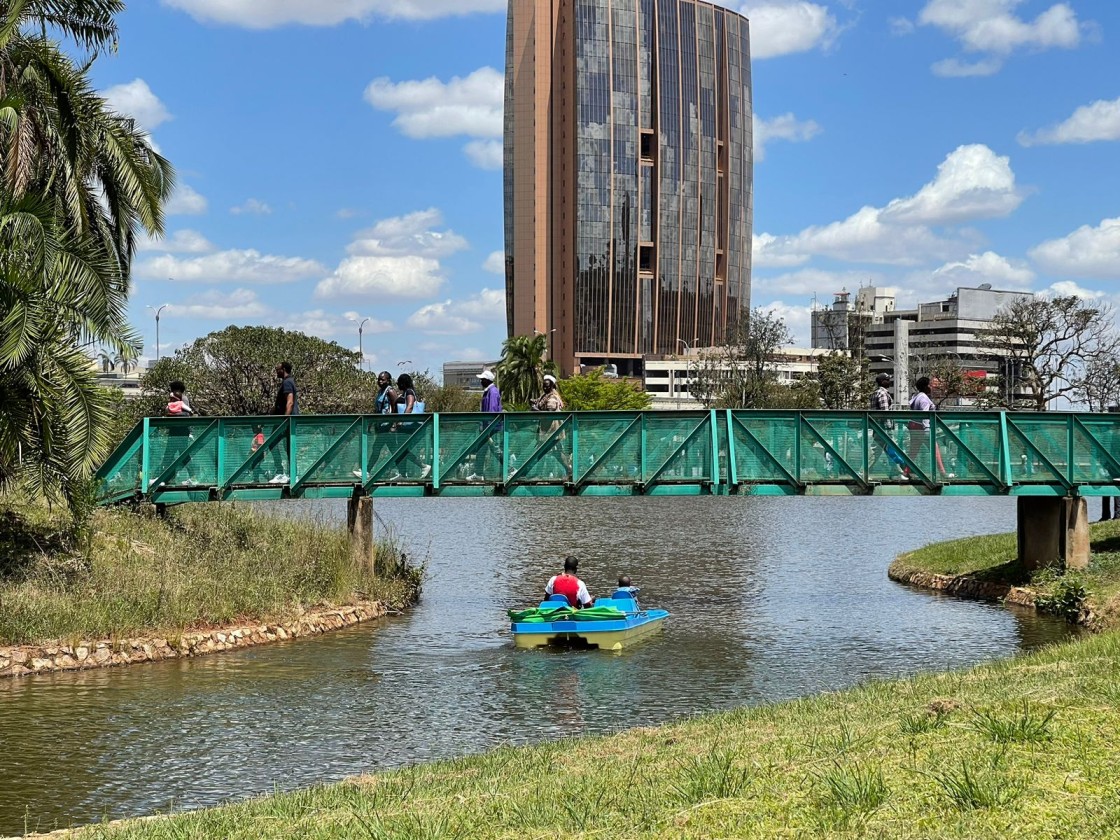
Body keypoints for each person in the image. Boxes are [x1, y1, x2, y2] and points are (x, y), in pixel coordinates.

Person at [527, 374, 571, 477]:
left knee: (542, 451)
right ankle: (569, 470)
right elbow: (540, 402)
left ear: (552, 386)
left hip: (552, 430)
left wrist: (536, 410)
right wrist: (534, 402)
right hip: (547, 430)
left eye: (547, 385)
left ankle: (534, 473)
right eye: (544, 385)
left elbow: (549, 413)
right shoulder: (545, 395)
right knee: (555, 452)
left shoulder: (552, 397)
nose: (545, 387)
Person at [907, 376, 951, 478]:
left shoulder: (917, 396)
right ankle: (942, 473)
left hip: (914, 428)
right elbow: (925, 414)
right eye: (931, 385)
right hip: (923, 429)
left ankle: (906, 472)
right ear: (926, 386)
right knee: (935, 450)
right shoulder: (924, 398)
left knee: (913, 452)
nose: (932, 387)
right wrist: (927, 429)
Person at [467, 369, 503, 481]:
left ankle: (510, 469)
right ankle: (478, 474)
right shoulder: (489, 391)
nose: (481, 381)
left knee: (494, 449)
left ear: (487, 380)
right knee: (483, 449)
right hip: (488, 427)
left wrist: (488, 429)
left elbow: (492, 411)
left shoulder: (492, 392)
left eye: (482, 379)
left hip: (491, 428)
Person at [395, 372, 431, 479]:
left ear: (403, 383)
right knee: (401, 450)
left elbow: (410, 406)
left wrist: (402, 420)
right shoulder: (405, 392)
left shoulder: (409, 392)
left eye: (399, 383)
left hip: (409, 426)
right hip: (407, 427)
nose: (398, 385)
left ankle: (423, 466)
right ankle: (403, 473)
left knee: (402, 450)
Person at [269, 361, 298, 484]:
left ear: (284, 369)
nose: (276, 370)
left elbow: (290, 402)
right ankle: (292, 474)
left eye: (278, 368)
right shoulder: (289, 381)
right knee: (288, 447)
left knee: (272, 443)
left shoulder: (287, 382)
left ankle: (281, 473)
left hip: (286, 420)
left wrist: (285, 420)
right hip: (287, 420)